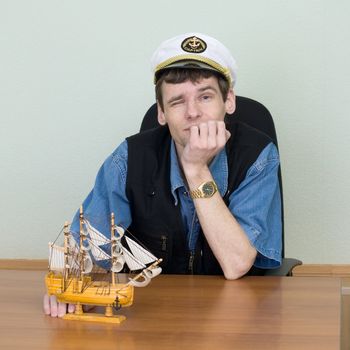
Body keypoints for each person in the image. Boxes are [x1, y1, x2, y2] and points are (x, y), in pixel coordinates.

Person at [44, 32, 282, 317]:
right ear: (161, 112)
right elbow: (84, 249)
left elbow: (236, 264)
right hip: (153, 314)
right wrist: (69, 289)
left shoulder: (258, 156)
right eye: (177, 102)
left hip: (234, 315)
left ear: (228, 101)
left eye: (205, 96)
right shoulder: (129, 158)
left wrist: (196, 169)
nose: (193, 112)